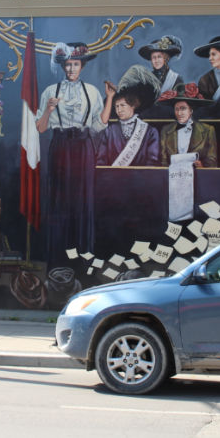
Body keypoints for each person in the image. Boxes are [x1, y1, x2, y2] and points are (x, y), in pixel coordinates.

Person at [35, 42, 111, 270]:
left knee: (82, 200)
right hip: (59, 146)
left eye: (75, 64)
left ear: (82, 66)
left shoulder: (92, 92)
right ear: (62, 66)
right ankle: (58, 259)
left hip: (83, 147)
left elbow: (99, 126)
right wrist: (48, 110)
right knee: (59, 201)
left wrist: (110, 99)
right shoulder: (50, 91)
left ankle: (82, 258)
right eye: (67, 65)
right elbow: (40, 128)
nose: (71, 69)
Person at [97, 66, 160, 166]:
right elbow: (101, 160)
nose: (119, 110)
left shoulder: (150, 132)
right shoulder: (109, 132)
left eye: (122, 105)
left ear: (133, 105)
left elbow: (152, 162)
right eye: (117, 106)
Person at [157, 83, 218, 168]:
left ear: (191, 110)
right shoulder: (166, 130)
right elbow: (163, 161)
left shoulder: (208, 130)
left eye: (183, 108)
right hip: (172, 176)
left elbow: (212, 160)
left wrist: (202, 166)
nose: (179, 113)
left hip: (199, 175)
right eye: (176, 109)